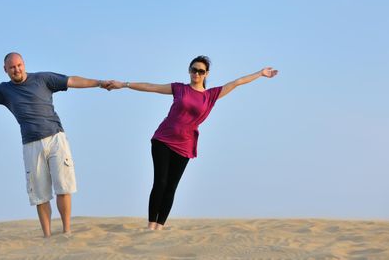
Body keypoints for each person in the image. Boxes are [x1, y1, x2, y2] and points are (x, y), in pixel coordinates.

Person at [0, 52, 110, 237]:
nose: (16, 69)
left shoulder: (43, 79)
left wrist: (98, 82)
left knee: (63, 187)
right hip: (31, 144)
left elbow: (72, 81)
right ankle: (47, 236)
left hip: (56, 138)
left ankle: (66, 232)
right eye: (12, 67)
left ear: (24, 64)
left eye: (19, 65)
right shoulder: (3, 90)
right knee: (40, 195)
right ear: (5, 70)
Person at [107, 56, 278, 230]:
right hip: (163, 139)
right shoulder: (179, 88)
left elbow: (237, 82)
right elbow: (151, 87)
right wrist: (124, 84)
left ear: (206, 74)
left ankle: (159, 227)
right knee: (160, 182)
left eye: (201, 71)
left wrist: (260, 73)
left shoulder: (211, 96)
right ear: (189, 71)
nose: (197, 73)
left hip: (185, 145)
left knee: (172, 186)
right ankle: (150, 226)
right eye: (194, 70)